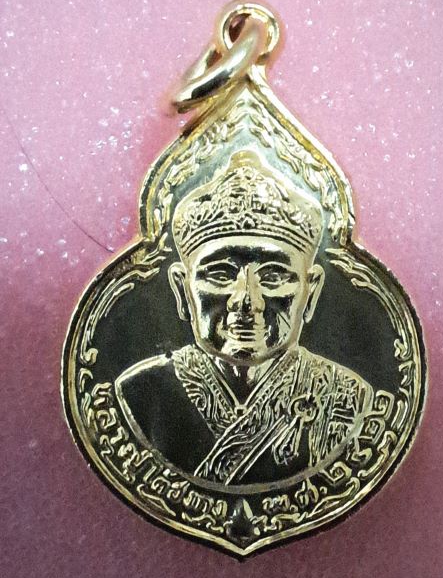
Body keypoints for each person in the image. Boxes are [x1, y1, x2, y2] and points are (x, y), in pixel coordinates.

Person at [115, 150, 373, 485]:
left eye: (273, 277)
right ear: (182, 290)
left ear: (310, 293)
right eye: (220, 275)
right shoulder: (142, 392)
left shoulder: (345, 397)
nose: (247, 301)